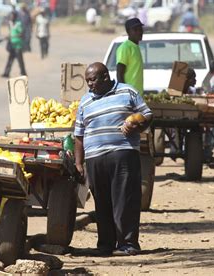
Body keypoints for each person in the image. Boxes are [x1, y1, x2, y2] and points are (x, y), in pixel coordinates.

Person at [74, 62, 152, 256]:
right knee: (102, 202)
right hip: (95, 159)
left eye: (93, 80)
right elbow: (78, 135)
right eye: (87, 81)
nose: (90, 85)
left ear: (106, 77)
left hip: (123, 153)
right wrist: (78, 163)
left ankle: (128, 244)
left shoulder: (127, 92)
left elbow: (147, 115)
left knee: (125, 199)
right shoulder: (85, 102)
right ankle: (106, 245)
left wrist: (136, 126)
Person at [116, 18, 144, 95]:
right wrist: (124, 93)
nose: (139, 32)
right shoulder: (125, 47)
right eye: (135, 30)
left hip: (137, 95)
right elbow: (119, 73)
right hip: (129, 95)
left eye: (140, 29)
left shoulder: (136, 47)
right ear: (128, 32)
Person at [2, 11, 27, 78]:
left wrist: (14, 36)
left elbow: (21, 34)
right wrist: (8, 36)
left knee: (20, 61)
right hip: (12, 45)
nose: (11, 17)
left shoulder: (18, 24)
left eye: (12, 16)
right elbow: (11, 33)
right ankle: (6, 73)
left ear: (15, 17)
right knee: (10, 60)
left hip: (18, 45)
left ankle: (23, 73)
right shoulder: (10, 24)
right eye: (11, 16)